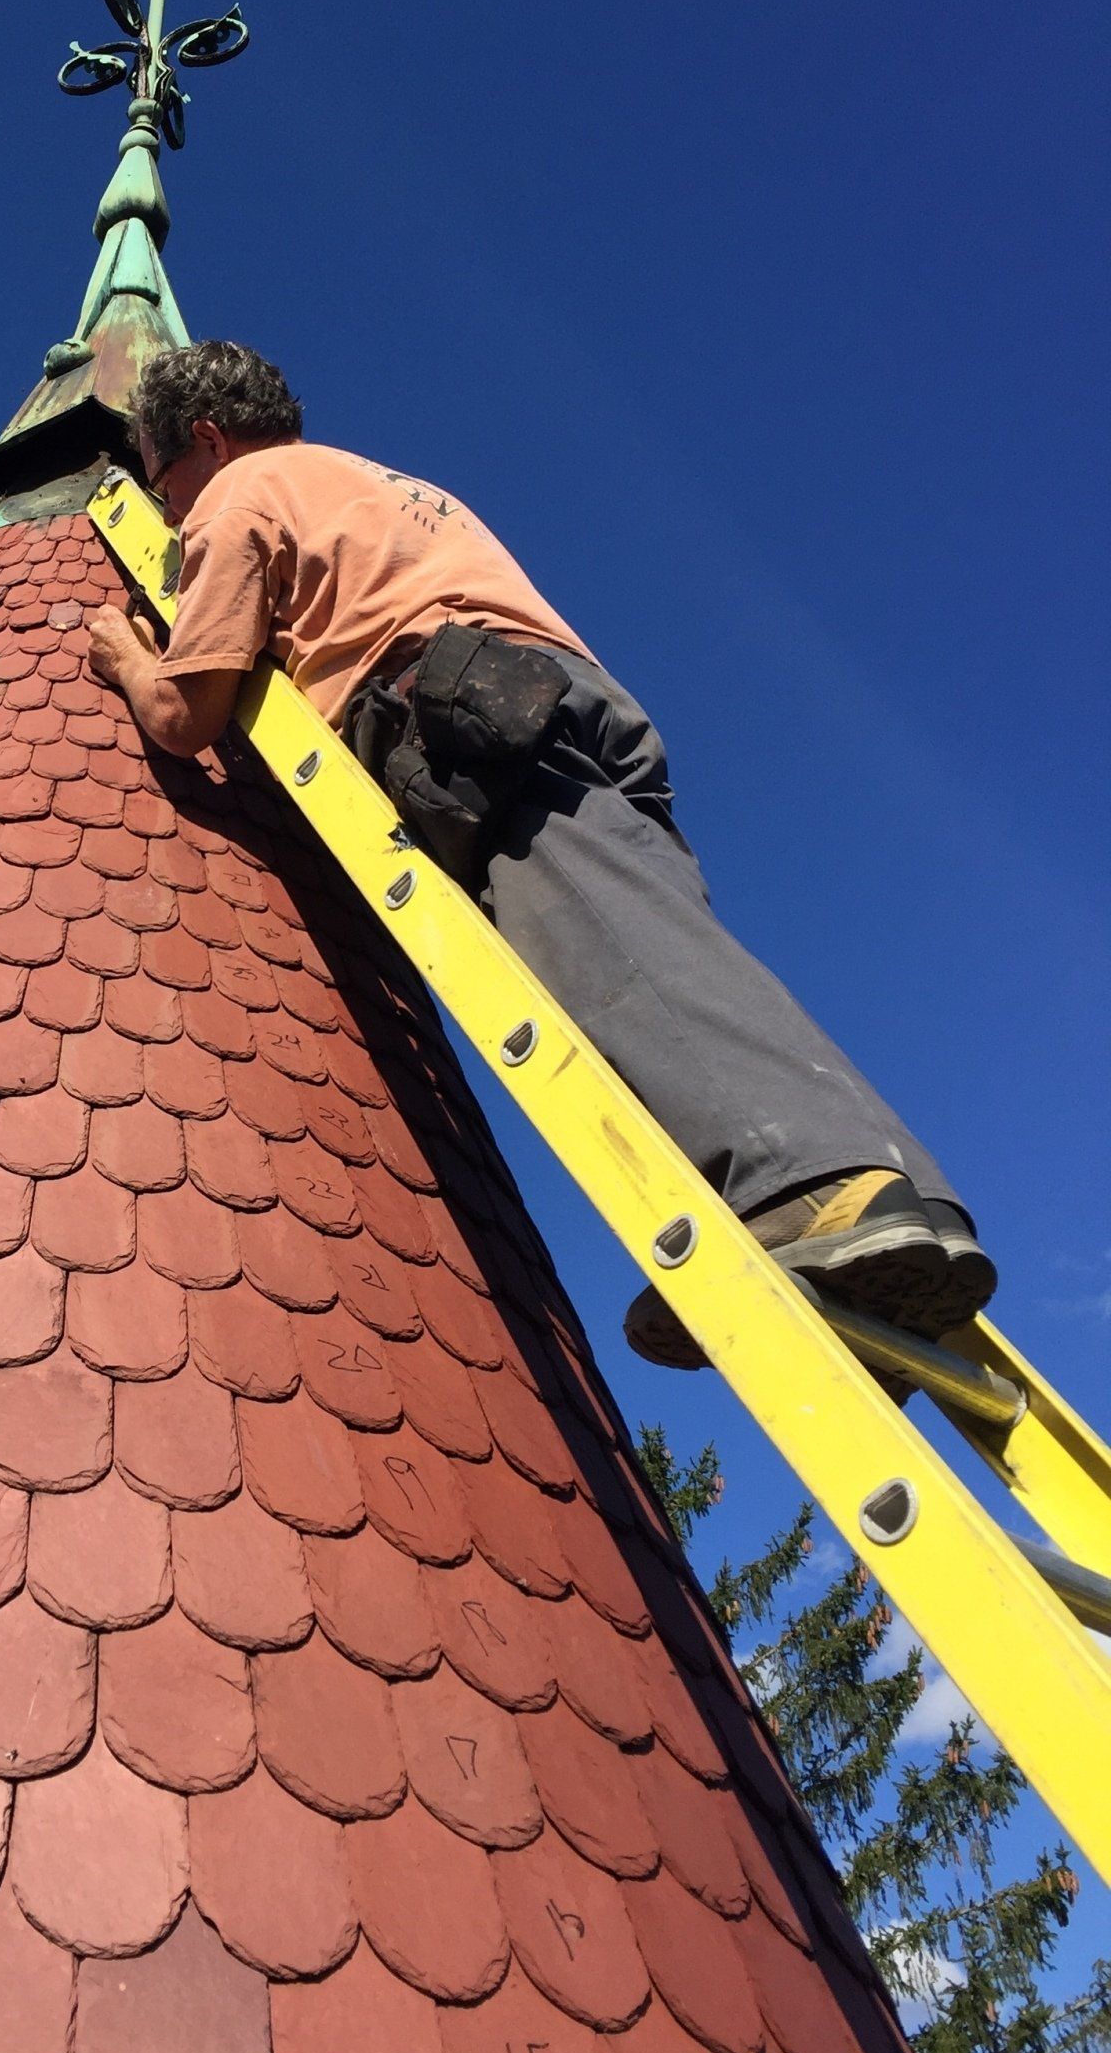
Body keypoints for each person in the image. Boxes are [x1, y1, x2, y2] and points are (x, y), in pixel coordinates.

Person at [85, 339, 996, 1369]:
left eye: (162, 479)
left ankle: (816, 1189)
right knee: (665, 944)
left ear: (206, 439)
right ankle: (897, 1202)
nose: (167, 510)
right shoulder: (377, 483)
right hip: (557, 693)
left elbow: (188, 712)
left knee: (619, 962)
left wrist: (128, 657)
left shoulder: (240, 494)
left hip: (462, 713)